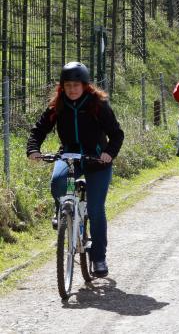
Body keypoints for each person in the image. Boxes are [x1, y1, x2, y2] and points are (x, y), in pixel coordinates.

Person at [26, 62, 124, 278]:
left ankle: (98, 257)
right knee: (58, 182)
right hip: (70, 157)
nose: (72, 89)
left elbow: (117, 134)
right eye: (68, 85)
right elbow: (39, 129)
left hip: (96, 161)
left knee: (97, 209)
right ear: (62, 87)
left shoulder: (97, 105)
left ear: (85, 85)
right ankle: (63, 210)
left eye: (76, 85)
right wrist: (33, 148)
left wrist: (109, 153)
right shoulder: (58, 105)